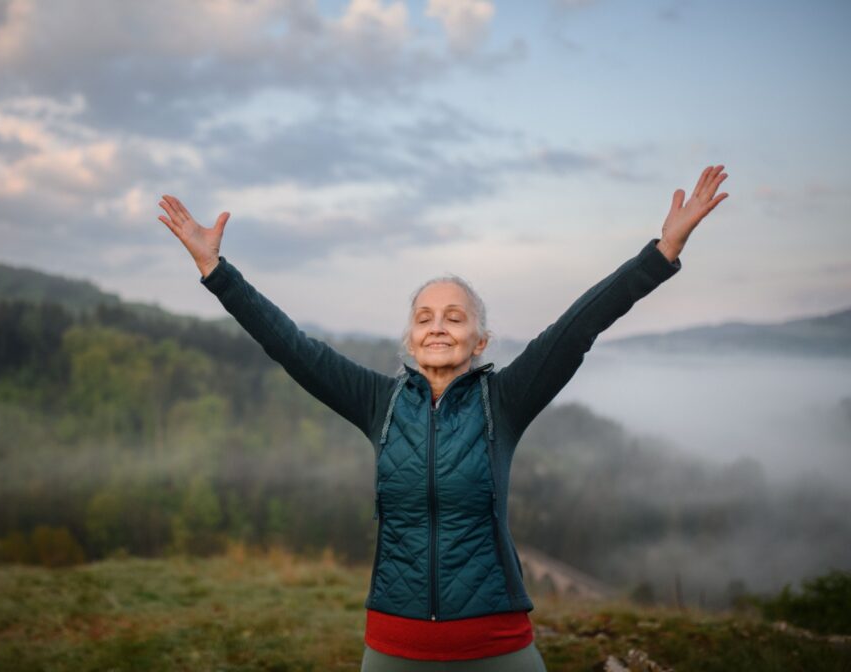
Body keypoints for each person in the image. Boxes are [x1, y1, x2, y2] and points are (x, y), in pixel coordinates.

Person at [157, 165, 729, 671]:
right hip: (394, 645)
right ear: (410, 338)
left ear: (479, 340)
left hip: (497, 643)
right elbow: (290, 346)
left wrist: (662, 253)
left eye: (454, 317)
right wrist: (215, 269)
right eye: (425, 317)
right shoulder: (378, 403)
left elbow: (579, 325)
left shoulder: (504, 402)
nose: (437, 326)